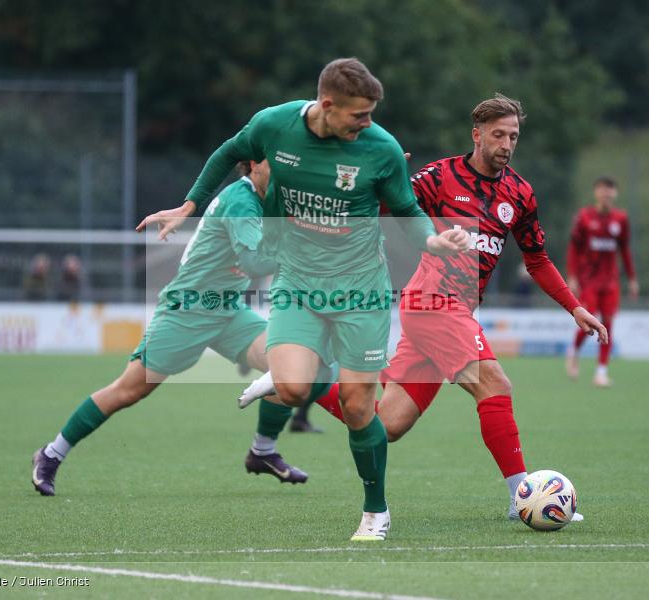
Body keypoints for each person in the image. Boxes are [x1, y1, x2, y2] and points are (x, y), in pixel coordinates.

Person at [139, 57, 467, 541]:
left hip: (361, 292)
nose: (368, 124)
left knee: (358, 408)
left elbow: (407, 210)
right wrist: (188, 204)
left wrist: (433, 241)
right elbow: (228, 152)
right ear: (327, 105)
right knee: (292, 389)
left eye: (372, 114)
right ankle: (289, 373)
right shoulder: (275, 124)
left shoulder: (382, 149)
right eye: (359, 115)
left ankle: (375, 510)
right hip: (298, 284)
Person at [241, 94, 606, 523]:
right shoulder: (439, 177)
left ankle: (309, 378)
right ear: (477, 135)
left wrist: (574, 307)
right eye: (498, 135)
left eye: (513, 136)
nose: (507, 144)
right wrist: (379, 180)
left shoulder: (520, 193)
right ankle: (522, 495)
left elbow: (537, 260)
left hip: (452, 308)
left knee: (387, 424)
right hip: (433, 301)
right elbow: (385, 211)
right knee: (495, 384)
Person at [31, 160, 317, 498]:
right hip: (188, 310)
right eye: (276, 157)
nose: (288, 161)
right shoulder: (241, 200)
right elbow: (256, 260)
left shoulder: (272, 196)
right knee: (130, 389)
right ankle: (51, 454)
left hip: (227, 309)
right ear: (254, 164)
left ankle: (263, 451)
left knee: (287, 367)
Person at [565, 176, 638, 387]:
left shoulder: (621, 219)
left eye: (610, 190)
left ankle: (601, 372)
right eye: (602, 190)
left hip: (610, 281)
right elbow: (573, 248)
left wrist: (632, 279)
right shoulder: (585, 217)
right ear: (596, 193)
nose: (606, 194)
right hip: (588, 280)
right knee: (589, 320)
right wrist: (572, 276)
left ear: (615, 194)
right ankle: (574, 350)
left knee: (608, 324)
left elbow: (624, 250)